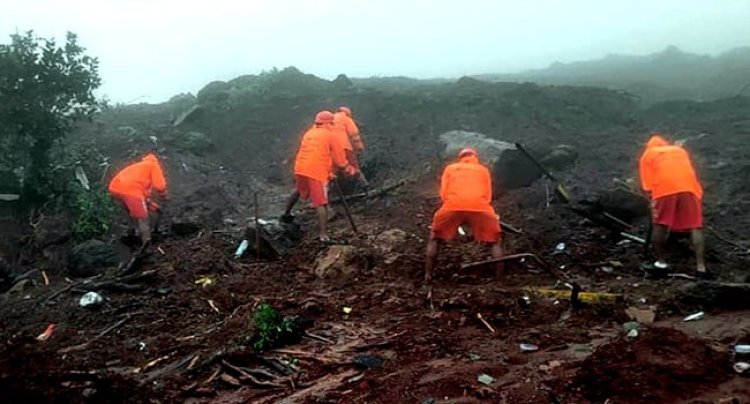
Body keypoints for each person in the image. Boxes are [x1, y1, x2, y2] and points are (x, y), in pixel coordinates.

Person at [425, 148, 503, 282]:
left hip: (452, 205)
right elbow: (488, 195)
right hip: (481, 207)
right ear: (475, 157)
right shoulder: (483, 170)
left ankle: (428, 275)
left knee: (434, 238)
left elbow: (443, 193)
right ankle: (499, 278)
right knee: (495, 241)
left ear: (460, 157)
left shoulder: (450, 168)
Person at [639, 133, 710, 279]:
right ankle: (701, 268)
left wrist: (652, 203)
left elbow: (647, 186)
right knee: (695, 226)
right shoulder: (680, 151)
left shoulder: (648, 155)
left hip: (665, 189)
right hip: (690, 188)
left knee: (660, 224)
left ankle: (661, 264)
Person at [282, 110, 351, 243]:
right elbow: (340, 161)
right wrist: (346, 167)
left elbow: (319, 153)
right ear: (330, 123)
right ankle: (323, 236)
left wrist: (329, 172)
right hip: (316, 171)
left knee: (298, 190)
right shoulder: (331, 135)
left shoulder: (310, 133)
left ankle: (286, 214)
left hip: (301, 168)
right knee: (321, 202)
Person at [108, 152, 168, 246]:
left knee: (129, 213)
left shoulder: (140, 167)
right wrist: (164, 195)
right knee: (143, 219)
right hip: (130, 190)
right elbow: (159, 185)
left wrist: (152, 206)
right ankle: (147, 244)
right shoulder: (153, 165)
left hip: (115, 187)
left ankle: (131, 233)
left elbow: (142, 194)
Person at [333, 106, 368, 186]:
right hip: (344, 147)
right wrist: (360, 148)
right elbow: (354, 136)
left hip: (331, 148)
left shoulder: (330, 119)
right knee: (354, 167)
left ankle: (335, 192)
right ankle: (365, 186)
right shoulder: (346, 119)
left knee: (335, 171)